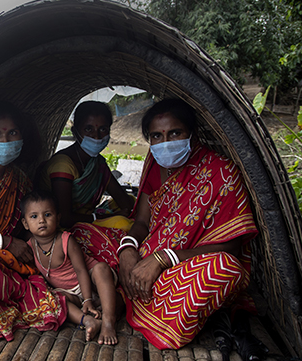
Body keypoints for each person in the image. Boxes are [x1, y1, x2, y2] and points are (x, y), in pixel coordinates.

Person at [73, 98, 258, 349]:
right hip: (145, 253)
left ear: (191, 135)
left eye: (175, 133)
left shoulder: (221, 173)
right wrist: (127, 249)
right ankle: (126, 285)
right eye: (157, 136)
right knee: (79, 233)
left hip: (184, 266)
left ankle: (122, 295)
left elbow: (231, 249)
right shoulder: (155, 163)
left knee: (224, 270)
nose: (165, 143)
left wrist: (164, 259)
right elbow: (141, 222)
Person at [0, 101, 103, 342]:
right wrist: (4, 242)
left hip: (3, 258)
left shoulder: (18, 180)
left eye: (12, 133)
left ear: (22, 137)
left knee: (36, 273)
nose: (4, 141)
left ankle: (78, 311)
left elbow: (26, 227)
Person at [21, 189, 118, 344]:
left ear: (58, 219)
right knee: (52, 298)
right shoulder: (29, 248)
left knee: (101, 269)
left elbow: (81, 270)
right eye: (34, 216)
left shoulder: (66, 240)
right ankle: (87, 320)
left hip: (91, 283)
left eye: (47, 215)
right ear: (25, 223)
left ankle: (108, 320)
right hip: (70, 294)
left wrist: (87, 298)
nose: (41, 220)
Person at [38, 101, 134, 230]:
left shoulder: (98, 163)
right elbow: (64, 218)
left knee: (132, 200)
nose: (97, 136)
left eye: (103, 129)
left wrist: (130, 212)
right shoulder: (63, 165)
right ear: (75, 131)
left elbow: (123, 200)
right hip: (64, 227)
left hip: (88, 217)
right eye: (88, 129)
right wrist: (103, 218)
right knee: (123, 225)